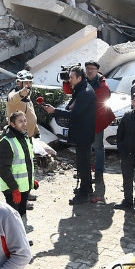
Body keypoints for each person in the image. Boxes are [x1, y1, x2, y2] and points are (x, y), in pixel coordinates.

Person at [43, 66, 96, 204]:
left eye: (72, 78)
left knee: (83, 163)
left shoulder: (85, 92)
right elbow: (71, 107)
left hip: (83, 133)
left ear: (79, 78)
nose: (69, 80)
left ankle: (84, 193)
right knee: (82, 162)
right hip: (81, 132)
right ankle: (87, 188)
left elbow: (74, 114)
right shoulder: (80, 89)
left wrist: (54, 111)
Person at [75, 60, 114, 198]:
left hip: (96, 120)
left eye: (92, 68)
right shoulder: (83, 81)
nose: (89, 71)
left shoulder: (102, 85)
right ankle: (85, 172)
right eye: (87, 68)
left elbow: (100, 103)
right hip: (85, 121)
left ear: (97, 70)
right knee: (87, 148)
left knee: (97, 146)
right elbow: (69, 91)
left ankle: (98, 172)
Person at [0, 111, 35, 220]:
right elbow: (3, 170)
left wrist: (32, 180)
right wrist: (14, 189)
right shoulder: (6, 142)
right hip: (12, 190)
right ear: (12, 124)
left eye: (24, 120)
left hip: (23, 188)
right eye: (20, 121)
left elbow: (27, 162)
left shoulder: (25, 138)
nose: (24, 123)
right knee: (12, 219)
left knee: (21, 216)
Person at [5, 70, 39, 138]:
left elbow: (31, 116)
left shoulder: (27, 98)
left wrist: (36, 130)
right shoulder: (13, 94)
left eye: (30, 82)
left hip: (28, 137)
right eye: (26, 82)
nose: (29, 85)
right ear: (18, 83)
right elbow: (12, 99)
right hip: (18, 137)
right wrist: (21, 94)